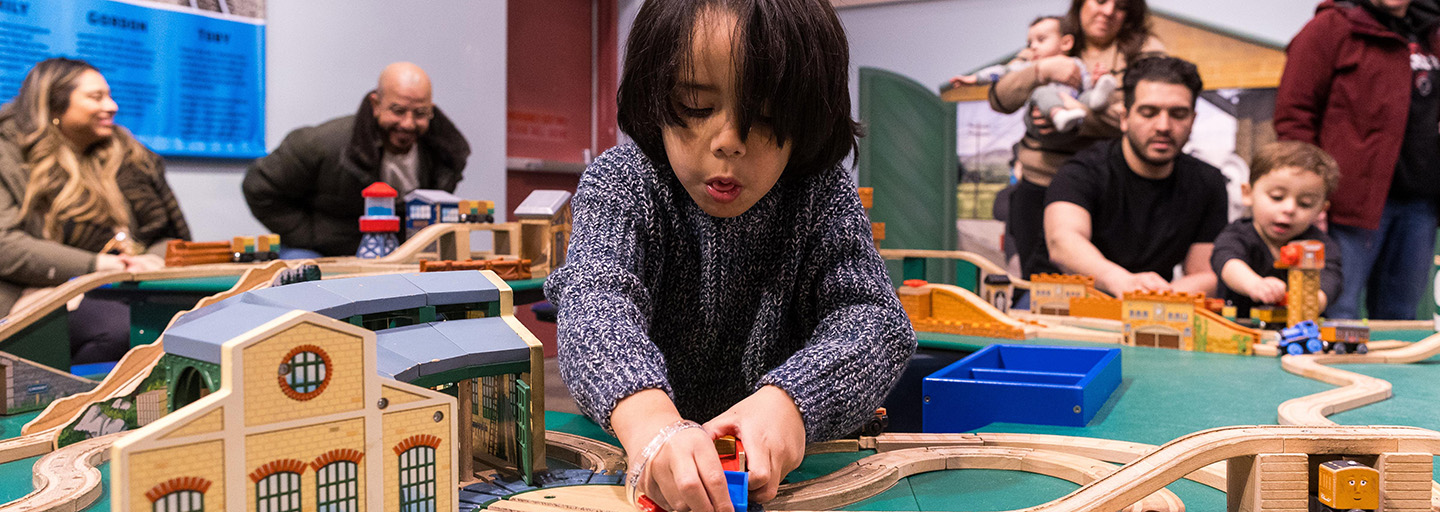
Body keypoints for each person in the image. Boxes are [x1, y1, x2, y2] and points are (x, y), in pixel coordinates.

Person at [543, 2, 917, 512]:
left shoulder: (820, 193)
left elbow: (876, 321)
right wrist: (650, 423)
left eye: (765, 116)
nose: (729, 143)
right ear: (655, 95)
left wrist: (792, 402)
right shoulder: (623, 181)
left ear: (808, 114)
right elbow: (596, 303)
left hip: (792, 477)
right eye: (696, 105)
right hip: (646, 461)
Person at [0, 57, 191, 363]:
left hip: (123, 286)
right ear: (55, 105)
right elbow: (5, 245)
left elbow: (168, 235)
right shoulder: (9, 154)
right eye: (96, 97)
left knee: (193, 313)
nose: (112, 106)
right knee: (121, 330)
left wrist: (149, 261)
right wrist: (97, 265)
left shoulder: (131, 158)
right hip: (32, 292)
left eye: (110, 96)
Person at [1275, 0, 1440, 320]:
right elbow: (1294, 117)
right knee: (1339, 313)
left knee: (1402, 319)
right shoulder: (1331, 27)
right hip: (1347, 205)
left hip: (1420, 204)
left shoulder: (1431, 30)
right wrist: (1310, 196)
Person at [989, 0, 1164, 283]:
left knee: (1101, 284)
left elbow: (1143, 117)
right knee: (1039, 285)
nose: (1108, 11)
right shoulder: (1051, 36)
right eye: (1100, 1)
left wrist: (1074, 114)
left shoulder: (1145, 49)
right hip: (1040, 184)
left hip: (1106, 190)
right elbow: (1000, 98)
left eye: (1120, 6)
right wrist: (1041, 71)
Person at [242, 62, 471, 258]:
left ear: (431, 111)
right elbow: (259, 187)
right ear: (376, 105)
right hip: (322, 253)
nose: (408, 124)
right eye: (398, 110)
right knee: (301, 269)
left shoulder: (444, 154)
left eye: (420, 113)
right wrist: (311, 237)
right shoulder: (320, 144)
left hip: (402, 255)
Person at [1044, 56, 1227, 296]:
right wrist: (1120, 281)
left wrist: (1156, 300)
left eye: (1178, 114)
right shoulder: (1082, 171)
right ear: (1124, 118)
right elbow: (1062, 243)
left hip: (1151, 302)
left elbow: (1204, 272)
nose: (1163, 126)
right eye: (1149, 113)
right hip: (1063, 298)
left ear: (1193, 120)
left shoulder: (1207, 182)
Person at [1211, 141, 1342, 317]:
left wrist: (1316, 300)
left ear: (1321, 210)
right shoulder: (1237, 235)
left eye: (1305, 204)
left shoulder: (1319, 245)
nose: (1289, 209)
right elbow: (1227, 262)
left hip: (1300, 326)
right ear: (1248, 193)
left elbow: (1331, 278)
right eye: (1277, 197)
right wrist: (1254, 284)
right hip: (1242, 325)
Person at [950, 16, 1118, 133]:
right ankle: (1058, 114)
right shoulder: (1030, 65)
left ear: (1066, 42)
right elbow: (1001, 71)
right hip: (1048, 114)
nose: (1033, 47)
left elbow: (1084, 82)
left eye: (1041, 40)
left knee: (1087, 95)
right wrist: (976, 79)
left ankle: (1097, 98)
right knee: (1041, 93)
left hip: (1077, 106)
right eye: (1030, 43)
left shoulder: (1077, 63)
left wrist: (1094, 81)